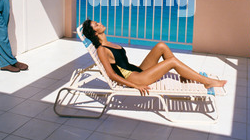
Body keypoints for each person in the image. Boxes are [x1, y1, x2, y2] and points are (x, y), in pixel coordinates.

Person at [82, 19, 226, 96]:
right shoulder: (101, 49)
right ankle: (207, 82)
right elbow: (111, 74)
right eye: (96, 24)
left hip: (137, 70)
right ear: (95, 33)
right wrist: (136, 85)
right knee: (172, 62)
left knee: (161, 46)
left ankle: (183, 73)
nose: (100, 23)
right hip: (137, 78)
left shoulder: (109, 43)